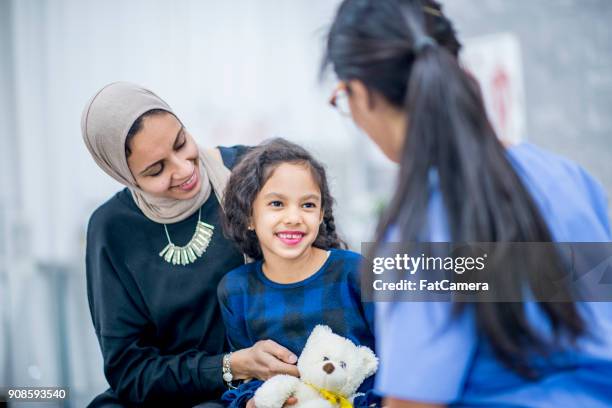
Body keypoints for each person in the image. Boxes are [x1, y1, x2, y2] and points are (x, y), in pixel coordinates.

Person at [321, 0, 612, 407]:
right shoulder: (570, 179)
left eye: (342, 98)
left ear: (361, 93)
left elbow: (415, 402)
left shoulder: (418, 228)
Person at [81, 82, 300, 407]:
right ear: (124, 175)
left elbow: (321, 256)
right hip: (166, 395)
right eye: (156, 169)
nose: (183, 169)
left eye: (181, 142)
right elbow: (129, 372)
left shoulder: (246, 172)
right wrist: (230, 366)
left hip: (258, 386)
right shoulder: (112, 229)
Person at [217, 138, 378, 407]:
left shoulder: (355, 271)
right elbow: (247, 379)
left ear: (321, 213)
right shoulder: (235, 290)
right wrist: (254, 402)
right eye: (277, 204)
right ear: (248, 216)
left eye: (308, 205)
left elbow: (391, 360)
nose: (294, 217)